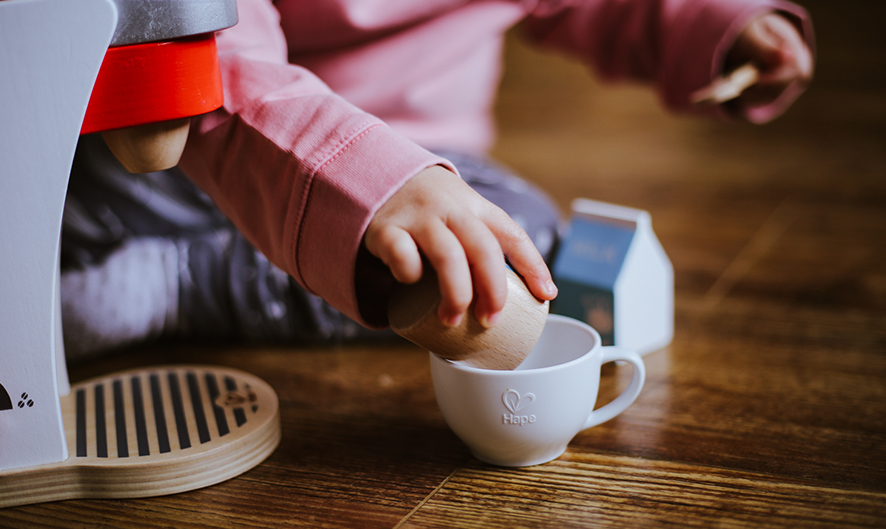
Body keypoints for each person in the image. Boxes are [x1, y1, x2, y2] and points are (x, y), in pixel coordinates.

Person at [60, 0, 814, 360]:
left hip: (429, 158)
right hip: (205, 134)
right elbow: (216, 54)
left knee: (511, 242)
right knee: (75, 164)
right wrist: (362, 173)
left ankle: (174, 281)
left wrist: (719, 23)